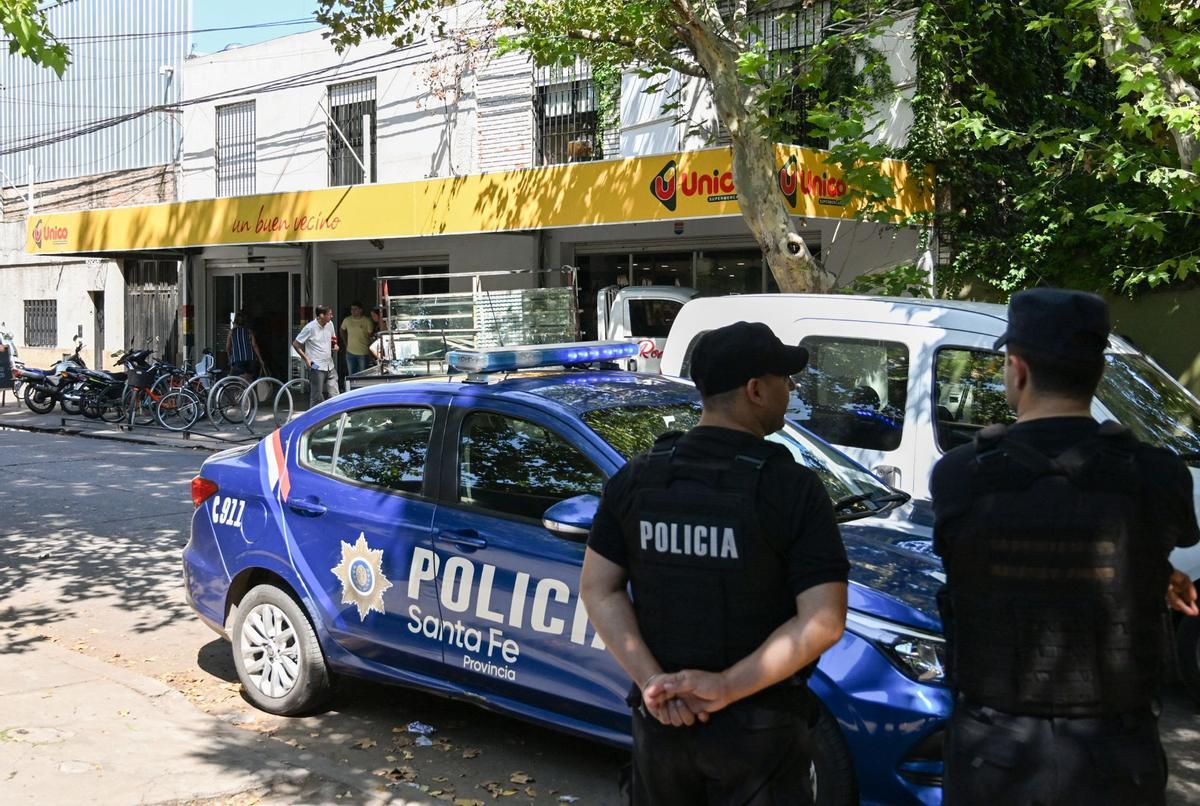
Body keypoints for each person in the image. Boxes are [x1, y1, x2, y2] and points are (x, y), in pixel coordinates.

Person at [931, 288, 1200, 806]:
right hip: (1116, 755)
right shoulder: (1158, 475)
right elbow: (1146, 541)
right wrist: (1157, 571)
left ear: (1017, 369)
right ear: (1098, 373)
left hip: (996, 752)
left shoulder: (960, 476)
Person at [580, 321, 849, 805]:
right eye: (784, 379)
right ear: (756, 390)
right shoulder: (791, 488)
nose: (790, 389)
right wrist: (724, 687)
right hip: (759, 736)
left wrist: (652, 683)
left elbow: (598, 588)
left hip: (661, 729)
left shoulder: (637, 479)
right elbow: (825, 621)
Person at [292, 305, 339, 407]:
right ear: (321, 315)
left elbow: (333, 337)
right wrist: (306, 359)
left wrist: (335, 345)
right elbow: (296, 344)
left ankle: (336, 417)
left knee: (335, 394)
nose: (332, 316)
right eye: (329, 314)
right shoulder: (310, 327)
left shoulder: (330, 324)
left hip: (329, 364)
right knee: (316, 396)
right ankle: (314, 419)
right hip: (315, 364)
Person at [225, 311, 266, 382]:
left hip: (238, 361)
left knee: (234, 381)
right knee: (250, 380)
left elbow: (228, 347)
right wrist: (260, 359)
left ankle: (241, 391)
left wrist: (230, 358)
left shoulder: (232, 332)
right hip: (251, 360)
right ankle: (249, 391)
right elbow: (254, 345)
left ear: (235, 321)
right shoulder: (249, 331)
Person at [339, 301, 373, 378]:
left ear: (361, 310)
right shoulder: (347, 320)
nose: (353, 311)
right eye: (352, 309)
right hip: (350, 352)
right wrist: (345, 342)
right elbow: (342, 330)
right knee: (351, 375)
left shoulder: (367, 321)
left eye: (355, 309)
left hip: (363, 352)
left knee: (363, 376)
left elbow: (371, 336)